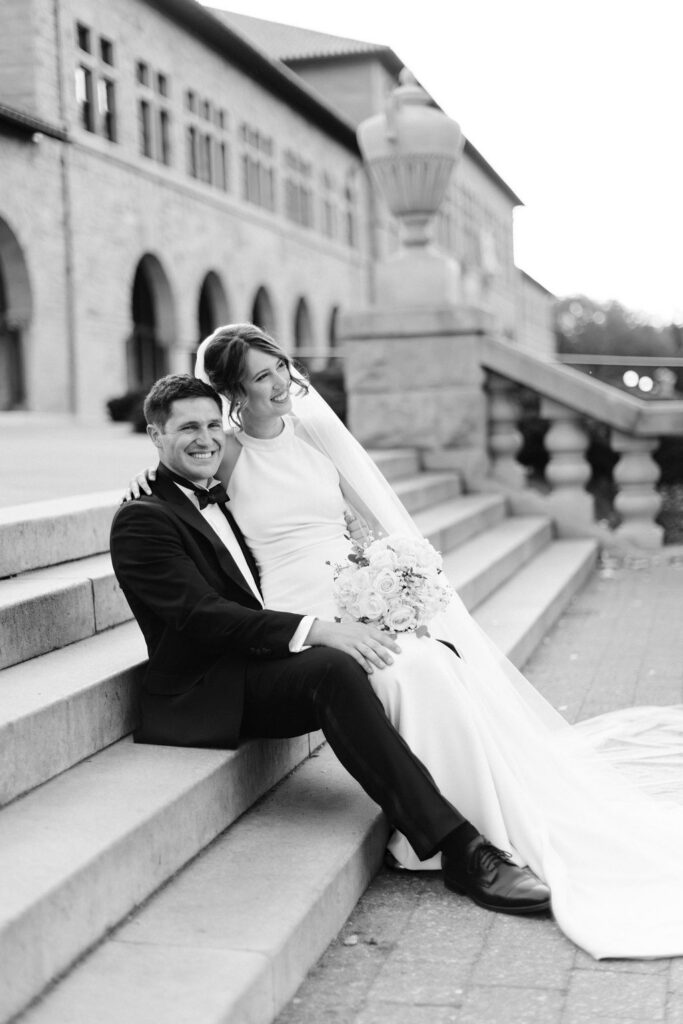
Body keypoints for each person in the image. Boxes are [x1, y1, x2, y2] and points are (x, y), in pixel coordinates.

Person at [125, 325, 683, 961]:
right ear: (234, 393)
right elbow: (184, 480)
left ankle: (490, 823)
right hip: (295, 607)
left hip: (348, 595)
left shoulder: (313, 439)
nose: (280, 383)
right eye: (260, 377)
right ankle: (463, 842)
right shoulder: (224, 452)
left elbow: (362, 528)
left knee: (432, 664)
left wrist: (391, 591)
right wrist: (147, 487)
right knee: (401, 674)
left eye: (281, 367)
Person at [111, 372, 551, 923]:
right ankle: (461, 848)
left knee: (422, 659)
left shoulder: (218, 488)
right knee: (333, 668)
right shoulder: (142, 519)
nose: (203, 438)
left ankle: (485, 800)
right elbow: (201, 617)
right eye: (185, 429)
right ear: (155, 434)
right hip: (209, 686)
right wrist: (317, 629)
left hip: (257, 659)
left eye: (211, 425)